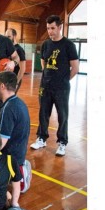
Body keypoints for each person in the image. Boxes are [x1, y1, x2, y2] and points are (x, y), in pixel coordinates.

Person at [30, 15, 79, 156]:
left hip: (61, 88)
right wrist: (48, 77)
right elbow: (44, 62)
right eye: (48, 28)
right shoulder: (46, 44)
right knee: (43, 113)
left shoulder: (69, 45)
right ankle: (41, 138)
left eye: (52, 28)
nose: (50, 31)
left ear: (59, 27)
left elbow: (75, 68)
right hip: (45, 86)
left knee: (62, 116)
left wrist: (63, 80)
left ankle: (62, 142)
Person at [0, 71, 32, 194]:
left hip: (11, 156)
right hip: (19, 150)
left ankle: (21, 173)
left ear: (2, 86)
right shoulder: (18, 102)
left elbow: (2, 141)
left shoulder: (8, 108)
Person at [5, 28, 26, 94]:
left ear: (14, 36)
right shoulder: (7, 48)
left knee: (9, 99)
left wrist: (16, 83)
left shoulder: (19, 50)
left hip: (14, 79)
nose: (7, 39)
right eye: (6, 37)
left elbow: (22, 69)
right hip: (6, 78)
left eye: (9, 37)